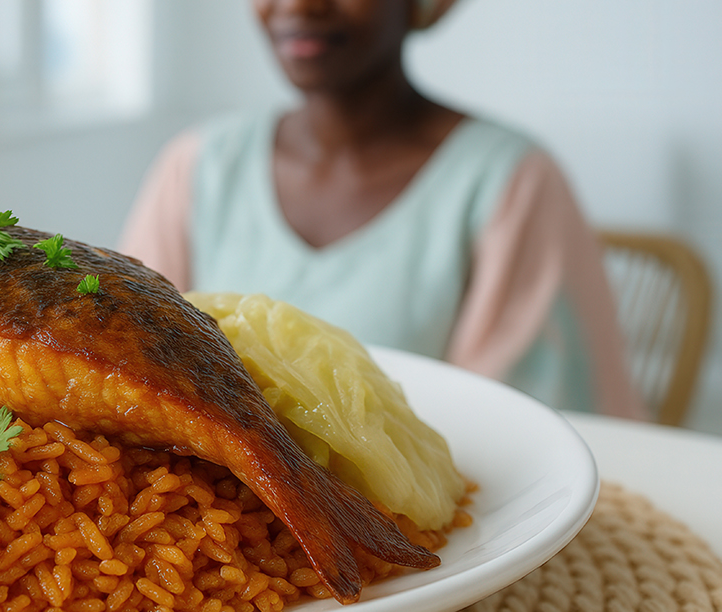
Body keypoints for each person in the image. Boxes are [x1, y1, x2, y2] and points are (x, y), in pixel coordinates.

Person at [119, 0, 643, 418]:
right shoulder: (198, 165)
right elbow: (130, 357)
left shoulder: (511, 180)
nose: (299, 5)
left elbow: (521, 430)